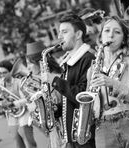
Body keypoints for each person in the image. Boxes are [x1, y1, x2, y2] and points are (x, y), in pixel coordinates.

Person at [87, 15, 129, 148]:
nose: (111, 35)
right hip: (103, 127)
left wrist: (114, 84)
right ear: (100, 36)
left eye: (117, 32)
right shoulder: (93, 69)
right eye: (106, 31)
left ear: (124, 38)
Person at [45, 12, 96, 148]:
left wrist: (55, 81)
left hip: (85, 136)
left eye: (64, 32)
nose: (59, 36)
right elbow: (70, 99)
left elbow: (83, 96)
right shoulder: (69, 62)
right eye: (59, 32)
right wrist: (56, 109)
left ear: (78, 34)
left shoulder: (88, 59)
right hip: (71, 137)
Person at [25, 41, 64, 148]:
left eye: (29, 63)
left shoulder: (57, 78)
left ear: (40, 62)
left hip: (63, 130)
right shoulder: (40, 81)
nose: (27, 68)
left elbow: (61, 107)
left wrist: (38, 108)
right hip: (54, 132)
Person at [0, 60, 37, 148]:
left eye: (4, 72)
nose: (1, 75)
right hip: (12, 118)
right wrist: (0, 103)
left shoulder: (19, 82)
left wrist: (13, 103)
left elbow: (27, 99)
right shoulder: (0, 85)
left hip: (24, 116)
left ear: (11, 72)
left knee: (30, 143)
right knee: (18, 144)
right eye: (0, 73)